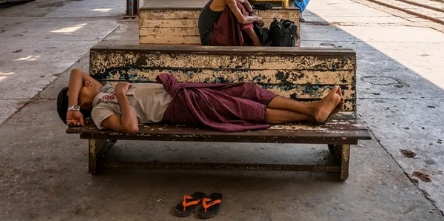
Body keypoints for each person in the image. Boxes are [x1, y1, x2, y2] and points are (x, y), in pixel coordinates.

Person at [58, 69, 345, 133]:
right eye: (83, 89)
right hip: (181, 106)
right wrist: (120, 96)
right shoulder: (99, 109)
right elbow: (131, 128)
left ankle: (313, 108)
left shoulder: (101, 87)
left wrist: (73, 105)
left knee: (247, 90)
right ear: (85, 104)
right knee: (244, 110)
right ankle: (311, 114)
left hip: (184, 90)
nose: (85, 82)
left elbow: (74, 73)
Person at [198, 0, 263, 46]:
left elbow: (245, 1)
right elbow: (242, 20)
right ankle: (256, 42)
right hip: (209, 38)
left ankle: (250, 41)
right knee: (238, 6)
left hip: (216, 35)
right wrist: (256, 18)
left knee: (239, 5)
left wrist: (251, 12)